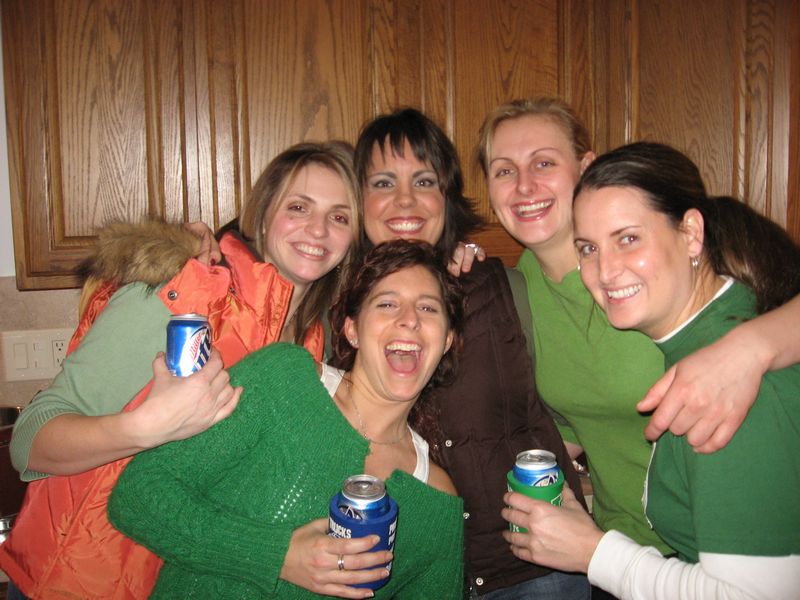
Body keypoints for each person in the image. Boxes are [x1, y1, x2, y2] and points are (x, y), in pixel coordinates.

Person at [0, 142, 363, 599]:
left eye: (339, 217)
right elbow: (29, 440)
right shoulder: (183, 294)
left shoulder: (313, 341)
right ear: (263, 215)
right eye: (299, 207)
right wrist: (143, 427)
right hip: (76, 581)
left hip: (179, 582)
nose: (319, 229)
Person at [476, 98, 800, 558]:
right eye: (504, 170)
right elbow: (579, 416)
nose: (524, 185)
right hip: (616, 546)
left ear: (587, 167)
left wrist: (751, 347)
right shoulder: (519, 285)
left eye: (544, 163)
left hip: (703, 549)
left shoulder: (665, 269)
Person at [107, 239, 466, 599]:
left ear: (447, 340)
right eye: (387, 303)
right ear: (352, 330)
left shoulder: (436, 501)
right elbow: (137, 495)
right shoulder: (283, 380)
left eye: (428, 308)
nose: (410, 319)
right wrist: (277, 555)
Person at [351, 108, 589, 598]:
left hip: (533, 565)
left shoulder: (503, 287)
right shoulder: (340, 308)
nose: (405, 200)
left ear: (447, 196)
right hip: (412, 572)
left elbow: (578, 391)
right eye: (383, 183)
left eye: (424, 181)